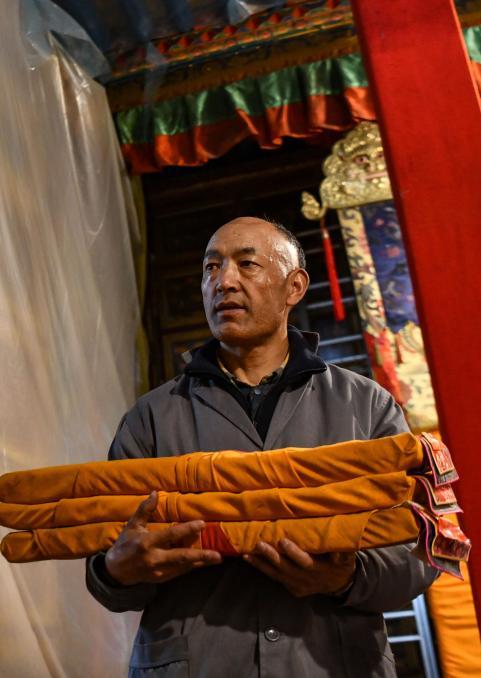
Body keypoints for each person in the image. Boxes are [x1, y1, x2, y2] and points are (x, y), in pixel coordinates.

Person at [86, 217, 438, 677]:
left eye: (246, 264)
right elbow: (107, 560)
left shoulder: (365, 405)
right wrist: (116, 570)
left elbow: (422, 549)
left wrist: (347, 578)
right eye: (211, 267)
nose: (223, 281)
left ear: (295, 287)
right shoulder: (151, 416)